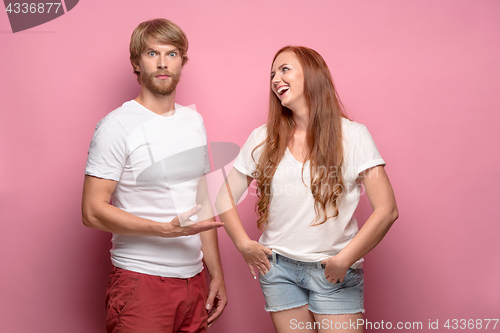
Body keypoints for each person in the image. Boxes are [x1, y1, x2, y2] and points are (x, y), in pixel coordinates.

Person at [216, 46, 398, 333]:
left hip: (334, 271)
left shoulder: (353, 135)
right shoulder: (262, 138)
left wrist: (344, 260)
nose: (276, 78)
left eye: (285, 69)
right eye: (272, 73)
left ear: (312, 76)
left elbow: (387, 210)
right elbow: (223, 196)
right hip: (278, 271)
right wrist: (243, 244)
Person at [82, 18, 227, 333]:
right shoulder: (116, 125)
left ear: (181, 62)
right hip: (141, 282)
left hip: (194, 282)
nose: (163, 63)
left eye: (172, 54)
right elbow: (92, 211)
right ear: (136, 62)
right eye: (152, 54)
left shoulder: (193, 121)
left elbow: (202, 202)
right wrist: (164, 230)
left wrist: (215, 274)